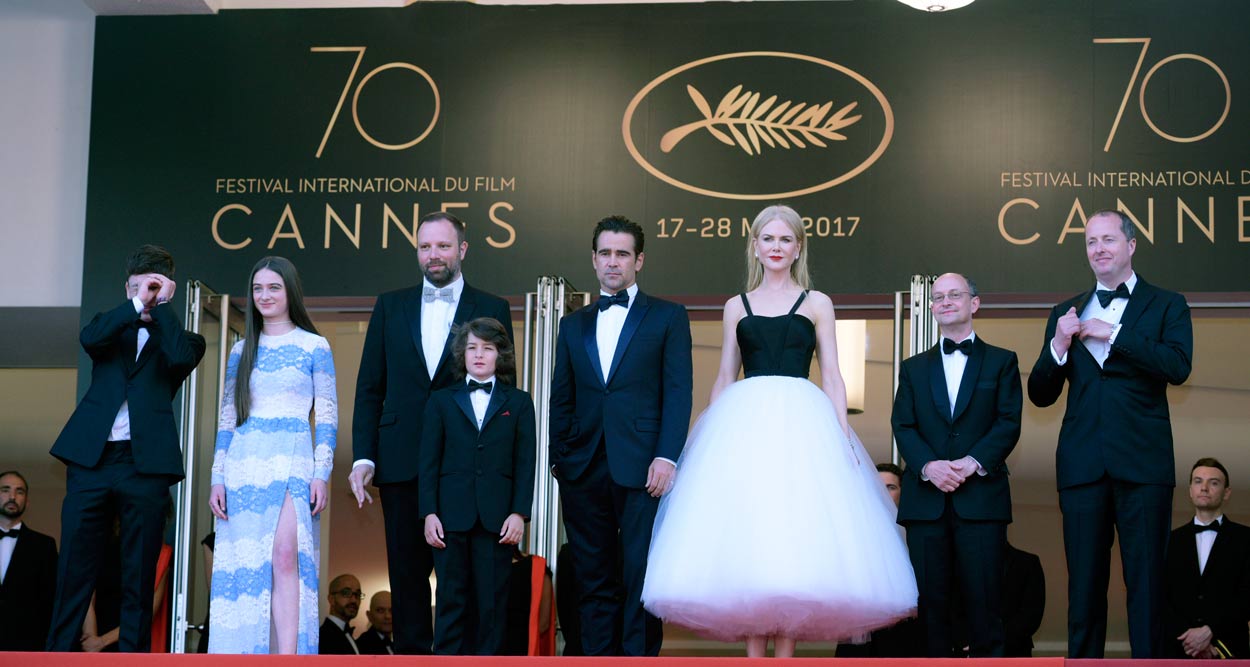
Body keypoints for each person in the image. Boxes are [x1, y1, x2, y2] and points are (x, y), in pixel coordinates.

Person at [642, 205, 916, 658]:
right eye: (768, 239)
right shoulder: (736, 306)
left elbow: (832, 374)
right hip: (744, 421)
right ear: (754, 246)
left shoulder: (817, 303)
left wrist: (842, 435)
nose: (776, 247)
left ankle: (785, 657)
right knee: (752, 526)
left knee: (794, 528)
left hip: (802, 421)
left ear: (798, 248)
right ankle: (754, 658)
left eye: (785, 239)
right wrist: (707, 442)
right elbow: (725, 374)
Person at [1028, 209, 1193, 658]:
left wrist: (1114, 333)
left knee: (1147, 586)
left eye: (1108, 239)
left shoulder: (1168, 304)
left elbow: (1178, 365)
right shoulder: (1063, 313)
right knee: (1083, 588)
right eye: (1091, 242)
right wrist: (1058, 345)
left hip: (1143, 465)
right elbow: (1040, 394)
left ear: (1130, 245)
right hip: (1082, 467)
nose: (1098, 249)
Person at [351, 211, 513, 655]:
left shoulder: (493, 307)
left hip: (465, 468)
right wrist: (363, 456)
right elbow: (370, 387)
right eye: (425, 247)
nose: (433, 255)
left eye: (443, 246)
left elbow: (503, 397)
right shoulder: (390, 305)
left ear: (463, 249)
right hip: (401, 462)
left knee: (465, 583)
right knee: (406, 579)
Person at [46, 245, 206, 652]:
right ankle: (57, 654)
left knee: (139, 570)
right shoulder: (109, 326)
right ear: (127, 289)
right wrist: (137, 303)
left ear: (168, 290)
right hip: (92, 460)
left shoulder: (184, 339)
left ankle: (133, 659)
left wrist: (162, 306)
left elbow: (180, 360)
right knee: (74, 564)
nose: (146, 295)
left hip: (145, 465)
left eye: (155, 288)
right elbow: (90, 338)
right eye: (138, 288)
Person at [549, 214, 693, 657]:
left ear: (639, 260)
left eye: (622, 254)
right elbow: (561, 396)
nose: (613, 262)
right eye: (605, 253)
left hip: (645, 467)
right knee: (591, 576)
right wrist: (560, 459)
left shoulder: (668, 316)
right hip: (582, 468)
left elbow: (678, 392)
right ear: (594, 260)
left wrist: (667, 456)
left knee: (640, 574)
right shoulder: (573, 324)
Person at [207, 256, 337, 654]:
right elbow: (227, 417)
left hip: (293, 457)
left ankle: (288, 657)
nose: (264, 295)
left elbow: (327, 415)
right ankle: (248, 655)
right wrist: (217, 476)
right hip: (243, 463)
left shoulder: (315, 346)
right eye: (258, 288)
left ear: (290, 292)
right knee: (248, 567)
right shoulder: (240, 350)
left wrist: (322, 473)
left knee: (284, 555)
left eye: (274, 287)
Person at [891, 272, 1022, 657]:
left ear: (974, 303)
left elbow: (1008, 422)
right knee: (929, 609)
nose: (945, 302)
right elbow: (903, 424)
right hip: (925, 503)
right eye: (938, 297)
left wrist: (972, 462)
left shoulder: (1002, 362)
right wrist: (928, 466)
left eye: (954, 295)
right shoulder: (912, 368)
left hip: (981, 500)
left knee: (985, 605)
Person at [420, 317, 536, 655]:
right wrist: (429, 512)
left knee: (492, 605)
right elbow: (428, 462)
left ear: (500, 354)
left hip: (498, 519)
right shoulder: (441, 401)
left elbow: (525, 462)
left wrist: (519, 513)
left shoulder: (519, 402)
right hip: (449, 518)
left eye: (487, 348)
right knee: (449, 600)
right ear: (462, 354)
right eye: (472, 348)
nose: (479, 354)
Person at [1164, 458, 1250, 659]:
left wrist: (1210, 631)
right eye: (1198, 481)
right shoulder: (1169, 541)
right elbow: (1162, 598)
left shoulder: (1246, 538)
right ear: (1190, 490)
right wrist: (1192, 641)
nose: (1204, 488)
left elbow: (1247, 595)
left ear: (1226, 492)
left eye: (1214, 482)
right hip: (1179, 651)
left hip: (1230, 650)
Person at [0, 470, 58, 651]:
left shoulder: (44, 545)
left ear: (27, 501)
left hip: (26, 646)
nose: (12, 496)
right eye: (5, 490)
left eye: (20, 491)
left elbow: (51, 600)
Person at [1001, 542, 1045, 657]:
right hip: (969, 655)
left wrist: (995, 639)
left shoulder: (1028, 563)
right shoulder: (964, 563)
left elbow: (1032, 614)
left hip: (1016, 653)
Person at [319, 575, 362, 655]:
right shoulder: (322, 637)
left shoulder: (348, 634)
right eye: (346, 593)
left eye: (358, 594)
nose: (354, 600)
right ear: (331, 599)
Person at [355, 591, 394, 655]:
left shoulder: (400, 643)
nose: (387, 616)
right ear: (369, 615)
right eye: (380, 610)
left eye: (392, 610)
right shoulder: (362, 646)